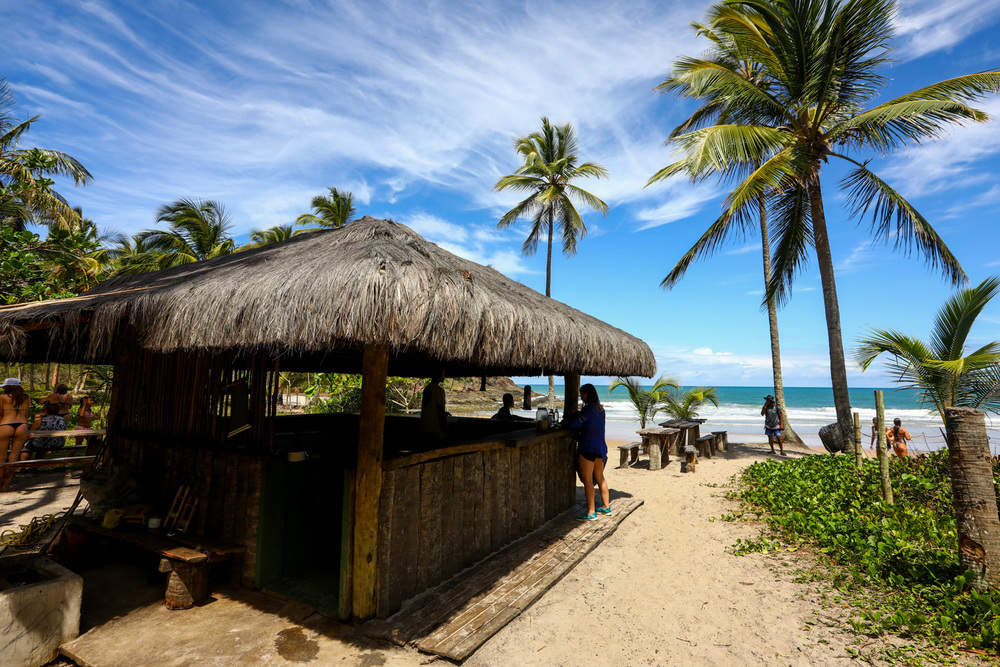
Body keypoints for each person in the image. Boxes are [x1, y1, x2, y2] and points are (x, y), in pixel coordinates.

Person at [566, 383, 610, 520]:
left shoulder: (587, 410)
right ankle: (605, 506)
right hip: (600, 447)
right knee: (600, 477)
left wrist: (573, 417)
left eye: (582, 394)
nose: (580, 396)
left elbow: (575, 425)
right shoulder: (600, 409)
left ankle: (591, 512)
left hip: (588, 447)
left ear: (587, 394)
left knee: (588, 481)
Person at [1, 378, 30, 490]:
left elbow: (0, 414)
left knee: (1, 457)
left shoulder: (2, 397)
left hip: (6, 425)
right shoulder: (26, 398)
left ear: (8, 387)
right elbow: (26, 414)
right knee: (14, 457)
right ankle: (6, 485)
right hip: (22, 426)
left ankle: (0, 485)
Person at [421, 370, 447, 444]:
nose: (444, 377)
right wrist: (443, 426)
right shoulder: (439, 390)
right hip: (435, 427)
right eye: (443, 375)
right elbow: (440, 409)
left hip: (425, 425)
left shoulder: (427, 388)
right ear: (438, 376)